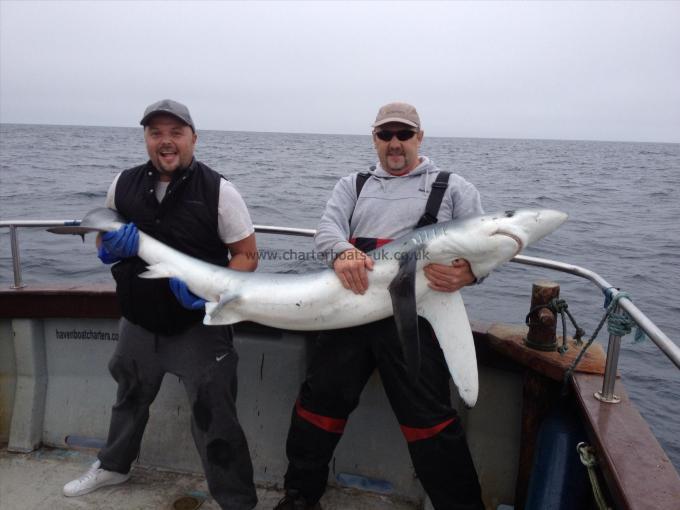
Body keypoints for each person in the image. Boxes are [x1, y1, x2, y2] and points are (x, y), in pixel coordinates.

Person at [274, 102, 485, 510]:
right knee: (318, 406)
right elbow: (327, 230)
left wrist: (471, 274)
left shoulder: (453, 187)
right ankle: (300, 496)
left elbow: (484, 245)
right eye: (385, 134)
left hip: (414, 316)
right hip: (350, 308)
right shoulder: (352, 185)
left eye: (403, 135)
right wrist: (339, 252)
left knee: (431, 421)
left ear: (419, 138)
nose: (394, 143)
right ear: (374, 138)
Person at [62, 99, 259, 510]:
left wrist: (209, 291)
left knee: (215, 416)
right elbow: (104, 238)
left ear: (193, 138)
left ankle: (236, 500)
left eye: (175, 132)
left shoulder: (220, 191)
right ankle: (114, 465)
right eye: (156, 133)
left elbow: (247, 255)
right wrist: (107, 247)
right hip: (138, 318)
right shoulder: (124, 183)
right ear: (146, 139)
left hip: (199, 323)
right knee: (129, 397)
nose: (165, 142)